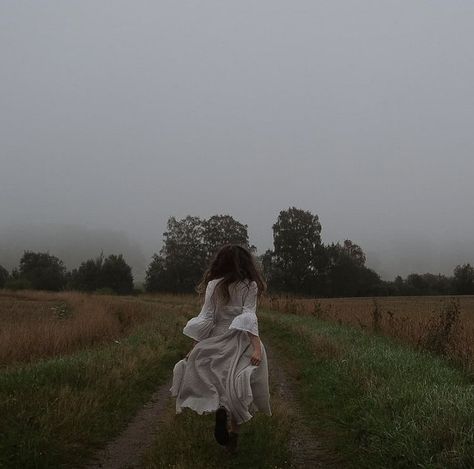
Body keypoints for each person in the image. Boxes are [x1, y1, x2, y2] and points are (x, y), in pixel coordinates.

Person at [170, 243, 272, 453]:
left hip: (215, 339)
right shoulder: (249, 285)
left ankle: (220, 411)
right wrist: (256, 348)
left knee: (217, 381)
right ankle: (233, 433)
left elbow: (206, 318)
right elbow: (249, 316)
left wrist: (195, 346)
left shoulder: (213, 285)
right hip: (239, 340)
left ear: (220, 263)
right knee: (236, 383)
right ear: (246, 263)